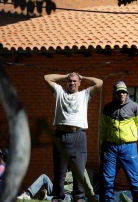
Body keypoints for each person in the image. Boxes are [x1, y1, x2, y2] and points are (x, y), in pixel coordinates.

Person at [44, 72, 103, 201]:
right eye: (70, 81)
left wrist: (83, 77)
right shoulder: (60, 91)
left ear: (79, 83)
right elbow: (46, 78)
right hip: (61, 136)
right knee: (60, 173)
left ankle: (79, 198)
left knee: (79, 173)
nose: (72, 83)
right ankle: (58, 197)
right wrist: (65, 76)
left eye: (75, 81)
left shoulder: (84, 94)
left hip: (78, 137)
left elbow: (99, 83)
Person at [99, 81, 138, 202]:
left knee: (134, 180)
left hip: (129, 148)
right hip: (110, 148)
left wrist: (130, 135)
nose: (122, 94)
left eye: (124, 92)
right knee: (107, 180)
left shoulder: (134, 106)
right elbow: (103, 127)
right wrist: (102, 144)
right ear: (114, 93)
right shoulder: (108, 108)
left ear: (127, 93)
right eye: (119, 92)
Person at [17, 169, 95, 201]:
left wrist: (92, 196)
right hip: (57, 190)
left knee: (67, 198)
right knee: (44, 177)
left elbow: (89, 186)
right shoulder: (64, 168)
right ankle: (27, 194)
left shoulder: (81, 169)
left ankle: (46, 197)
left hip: (68, 195)